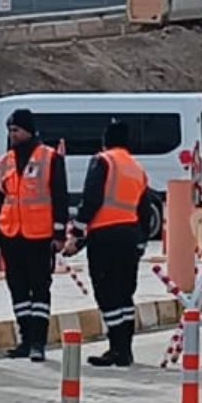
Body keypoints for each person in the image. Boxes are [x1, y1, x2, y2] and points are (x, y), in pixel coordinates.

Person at [0, 108, 68, 361]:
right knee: (18, 288)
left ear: (29, 130)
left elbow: (59, 196)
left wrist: (59, 232)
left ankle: (38, 342)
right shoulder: (5, 162)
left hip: (40, 234)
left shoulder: (50, 158)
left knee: (40, 288)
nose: (13, 135)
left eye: (17, 130)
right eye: (10, 130)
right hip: (11, 234)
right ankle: (25, 338)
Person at [71, 118, 148, 367]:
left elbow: (91, 199)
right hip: (129, 236)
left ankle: (117, 348)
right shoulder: (136, 168)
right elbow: (145, 209)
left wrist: (78, 232)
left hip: (104, 236)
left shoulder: (103, 161)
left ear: (106, 141)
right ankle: (125, 348)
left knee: (107, 294)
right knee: (125, 294)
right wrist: (141, 242)